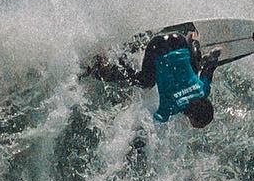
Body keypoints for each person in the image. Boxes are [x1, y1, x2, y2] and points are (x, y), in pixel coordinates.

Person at [84, 23, 220, 129]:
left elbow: (209, 69)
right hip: (157, 47)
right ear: (192, 116)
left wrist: (214, 59)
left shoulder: (203, 90)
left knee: (195, 69)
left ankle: (193, 39)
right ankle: (100, 67)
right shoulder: (170, 107)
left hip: (178, 40)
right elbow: (153, 118)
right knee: (145, 83)